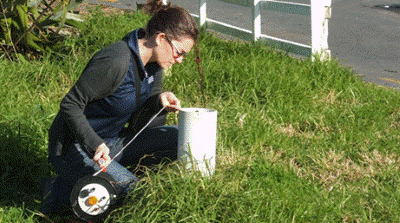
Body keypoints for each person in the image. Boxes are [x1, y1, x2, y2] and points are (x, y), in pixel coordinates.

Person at [40, 0, 199, 215]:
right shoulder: (115, 60)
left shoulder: (155, 66)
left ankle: (106, 177)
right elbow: (70, 104)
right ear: (161, 39)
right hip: (75, 146)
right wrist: (94, 144)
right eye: (179, 52)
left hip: (111, 143)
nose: (180, 60)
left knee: (184, 140)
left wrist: (157, 102)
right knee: (135, 193)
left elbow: (140, 126)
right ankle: (57, 191)